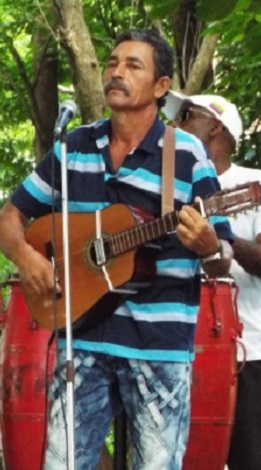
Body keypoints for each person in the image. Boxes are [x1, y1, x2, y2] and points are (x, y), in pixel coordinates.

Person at [0, 29, 234, 469]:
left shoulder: (186, 155)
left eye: (132, 65)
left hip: (158, 346)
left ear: (161, 87)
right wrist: (28, 258)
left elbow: (224, 254)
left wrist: (207, 246)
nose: (116, 72)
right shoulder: (73, 147)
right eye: (112, 63)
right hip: (81, 336)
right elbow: (9, 218)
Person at [165, 92, 261, 470]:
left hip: (245, 352)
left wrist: (219, 240)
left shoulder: (257, 182)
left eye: (185, 116)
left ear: (215, 127)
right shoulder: (161, 188)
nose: (173, 127)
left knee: (255, 462)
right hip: (169, 348)